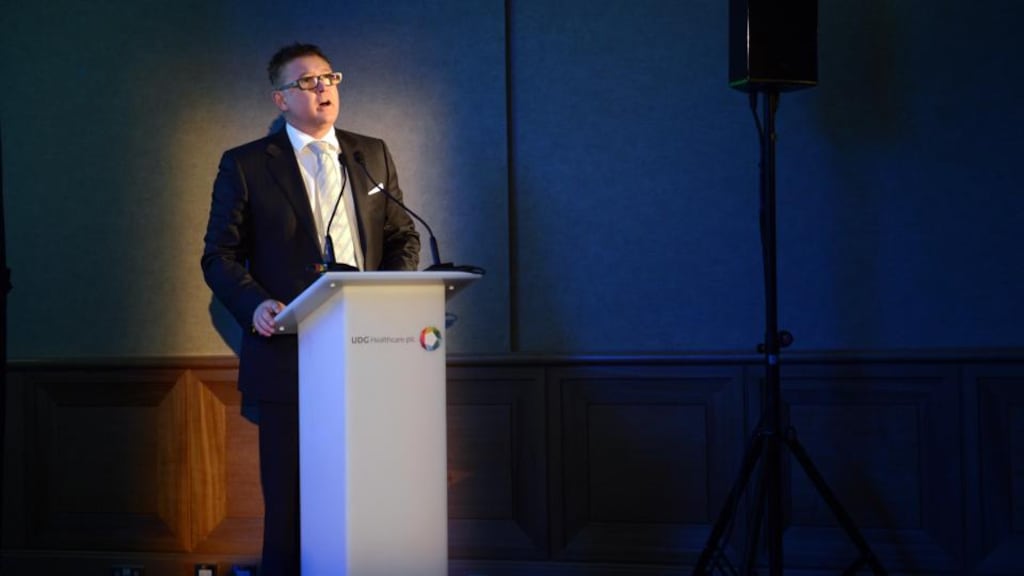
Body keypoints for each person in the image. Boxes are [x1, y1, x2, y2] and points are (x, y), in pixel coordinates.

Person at [200, 42, 420, 574]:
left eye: (329, 78)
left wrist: (384, 301)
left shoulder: (371, 153)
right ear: (281, 99)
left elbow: (403, 238)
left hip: (369, 352)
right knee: (293, 505)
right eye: (308, 82)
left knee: (368, 500)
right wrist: (255, 305)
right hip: (288, 358)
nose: (324, 88)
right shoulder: (247, 164)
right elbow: (219, 256)